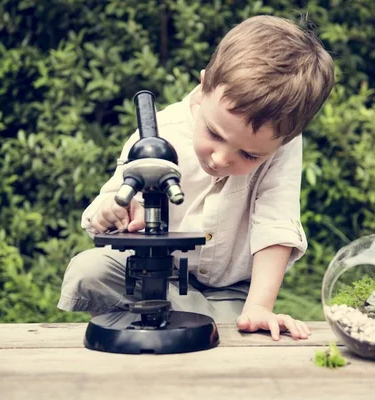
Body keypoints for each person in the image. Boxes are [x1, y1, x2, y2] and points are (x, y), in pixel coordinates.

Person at [58, 15, 335, 341]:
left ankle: (181, 317)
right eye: (214, 134)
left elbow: (276, 222)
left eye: (248, 155)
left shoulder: (282, 146)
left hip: (231, 290)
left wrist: (259, 307)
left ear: (285, 140)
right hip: (155, 274)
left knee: (238, 328)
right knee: (88, 270)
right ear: (204, 89)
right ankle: (183, 316)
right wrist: (112, 210)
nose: (220, 159)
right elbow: (114, 196)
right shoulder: (157, 132)